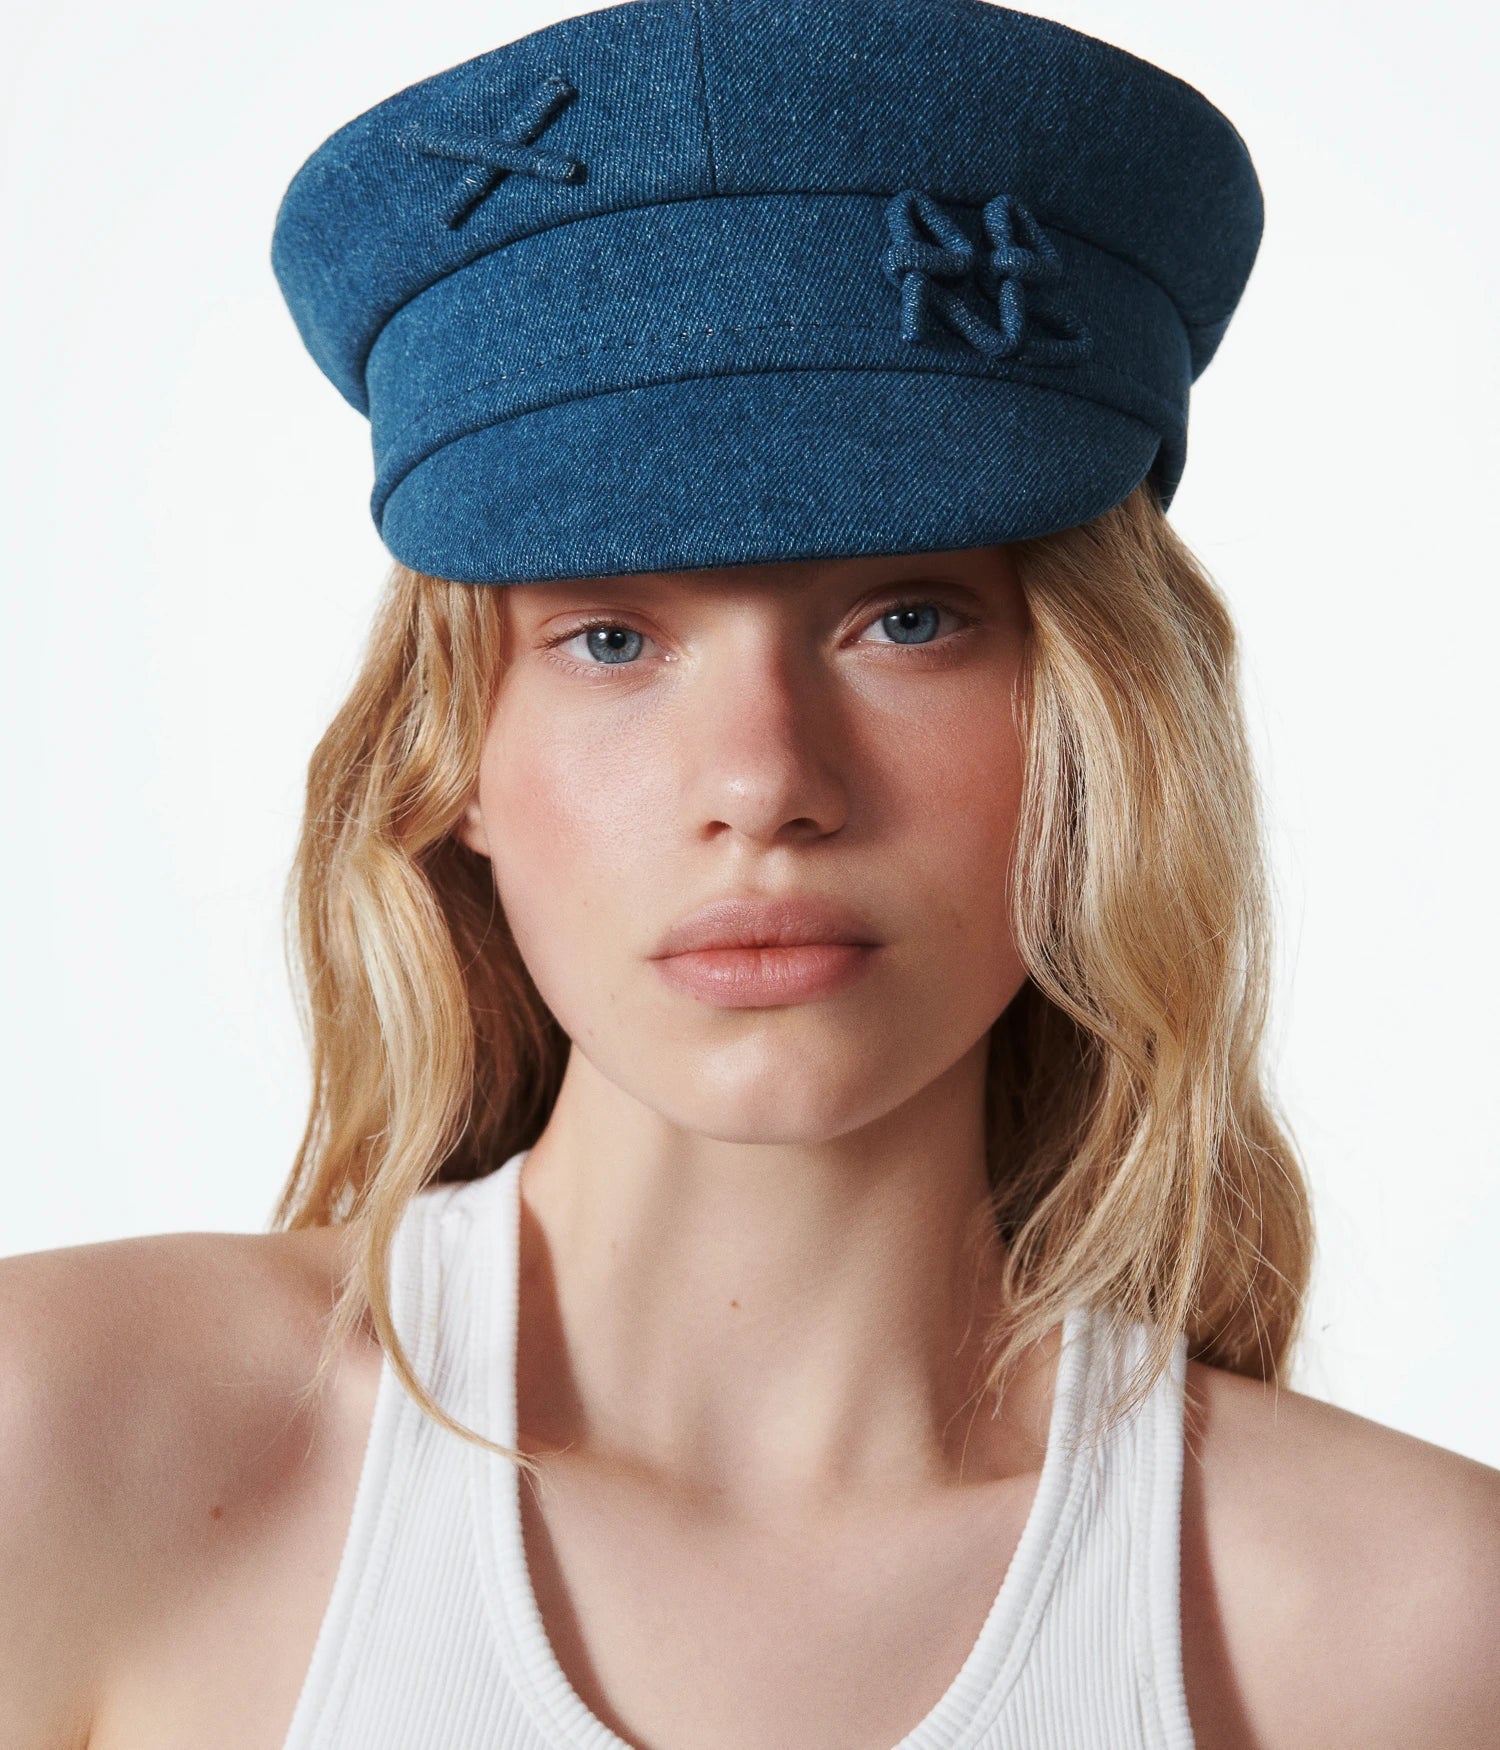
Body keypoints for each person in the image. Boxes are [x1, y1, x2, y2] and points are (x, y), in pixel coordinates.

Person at [3, 1, 1498, 1747]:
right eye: (612, 637)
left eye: (908, 619)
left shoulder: (1406, 1630)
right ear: (453, 758)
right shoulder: (66, 1448)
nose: (764, 783)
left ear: (1104, 726)